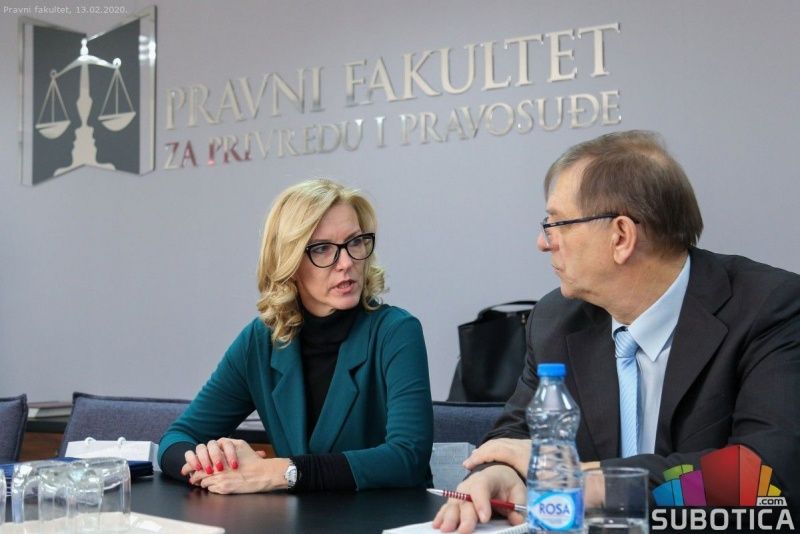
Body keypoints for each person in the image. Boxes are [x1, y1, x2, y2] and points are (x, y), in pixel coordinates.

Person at [433, 130, 800, 532]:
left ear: (621, 236)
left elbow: (765, 477)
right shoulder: (556, 319)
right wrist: (498, 472)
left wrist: (585, 483)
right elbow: (517, 432)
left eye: (556, 223)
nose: (543, 242)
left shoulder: (770, 308)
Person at [159, 179, 433, 494]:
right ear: (288, 262)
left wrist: (281, 471)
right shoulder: (261, 340)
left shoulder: (396, 331)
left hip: (386, 517)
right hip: (297, 518)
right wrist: (209, 462)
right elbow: (175, 440)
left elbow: (407, 458)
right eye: (322, 248)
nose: (346, 263)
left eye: (355, 242)